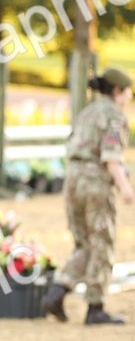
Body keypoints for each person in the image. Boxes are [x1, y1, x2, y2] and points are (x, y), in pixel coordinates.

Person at [43, 67, 133, 325]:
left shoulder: (88, 111)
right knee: (102, 242)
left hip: (72, 179)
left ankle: (58, 291)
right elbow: (111, 156)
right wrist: (125, 188)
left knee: (83, 242)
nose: (129, 97)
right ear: (117, 91)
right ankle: (96, 306)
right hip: (95, 183)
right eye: (128, 91)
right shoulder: (115, 115)